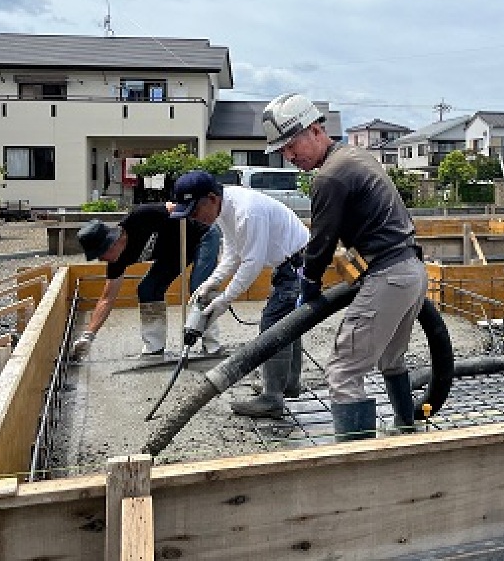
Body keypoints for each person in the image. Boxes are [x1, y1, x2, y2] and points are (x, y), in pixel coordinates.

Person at [262, 92, 427, 441]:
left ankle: (357, 463)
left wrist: (308, 286)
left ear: (315, 130)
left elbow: (321, 242)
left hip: (389, 275)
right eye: (283, 152)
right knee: (391, 360)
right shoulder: (354, 157)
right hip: (411, 270)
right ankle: (406, 433)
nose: (289, 156)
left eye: (292, 146)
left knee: (342, 371)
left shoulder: (330, 177)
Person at [170, 169, 309, 419]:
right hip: (290, 263)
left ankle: (273, 398)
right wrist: (211, 284)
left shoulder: (247, 210)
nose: (195, 218)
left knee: (274, 325)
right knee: (288, 323)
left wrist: (225, 299)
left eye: (195, 211)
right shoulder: (225, 210)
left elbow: (252, 262)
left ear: (211, 199)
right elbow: (234, 252)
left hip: (298, 263)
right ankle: (287, 383)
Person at [72, 205, 222, 359]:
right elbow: (107, 299)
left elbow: (178, 207)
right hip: (174, 252)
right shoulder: (116, 262)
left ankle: (211, 345)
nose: (100, 260)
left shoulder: (140, 217)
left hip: (203, 237)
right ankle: (154, 347)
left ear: (111, 243)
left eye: (100, 255)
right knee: (147, 289)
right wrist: (88, 336)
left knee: (200, 288)